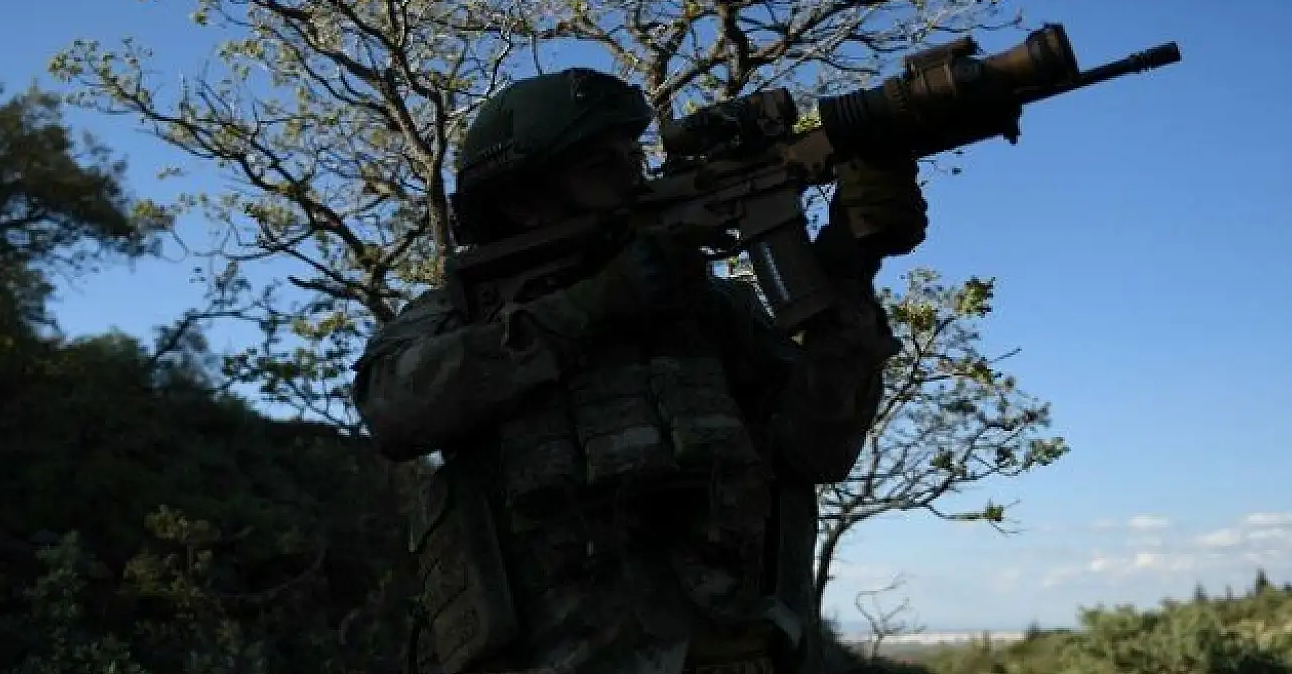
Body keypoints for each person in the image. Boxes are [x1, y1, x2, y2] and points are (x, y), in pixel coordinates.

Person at [352, 66, 927, 674]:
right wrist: (587, 306)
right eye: (603, 167)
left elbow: (817, 448)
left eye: (634, 159)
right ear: (523, 203)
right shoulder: (461, 313)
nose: (634, 180)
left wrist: (848, 270)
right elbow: (391, 408)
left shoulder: (708, 311)